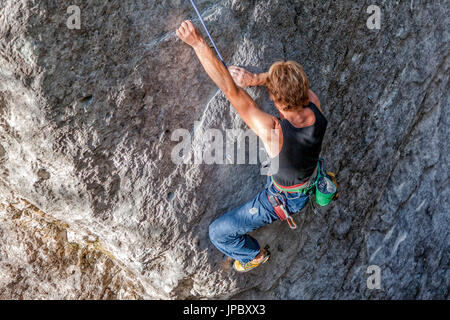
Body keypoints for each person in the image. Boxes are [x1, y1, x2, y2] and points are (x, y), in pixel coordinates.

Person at [176, 20, 328, 272]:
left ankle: (253, 255)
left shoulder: (273, 131)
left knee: (219, 233)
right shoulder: (313, 103)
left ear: (275, 98)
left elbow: (230, 90)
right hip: (306, 175)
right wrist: (258, 79)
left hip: (282, 199)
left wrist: (198, 43)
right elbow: (290, 85)